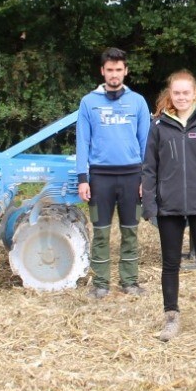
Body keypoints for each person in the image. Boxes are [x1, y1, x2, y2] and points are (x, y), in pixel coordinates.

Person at [142, 71, 196, 341]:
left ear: (195, 95)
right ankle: (171, 318)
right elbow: (149, 169)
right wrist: (150, 205)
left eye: (186, 93)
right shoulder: (158, 127)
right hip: (169, 206)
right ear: (170, 95)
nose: (181, 97)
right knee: (170, 265)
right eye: (176, 93)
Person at [76, 47, 151, 299]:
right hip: (100, 179)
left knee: (130, 231)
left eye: (119, 70)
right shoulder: (88, 103)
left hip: (132, 178)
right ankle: (100, 284)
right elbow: (82, 142)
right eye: (110, 70)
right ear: (102, 71)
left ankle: (129, 281)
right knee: (101, 233)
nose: (114, 74)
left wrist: (146, 179)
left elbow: (146, 144)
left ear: (126, 71)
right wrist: (82, 179)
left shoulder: (138, 102)